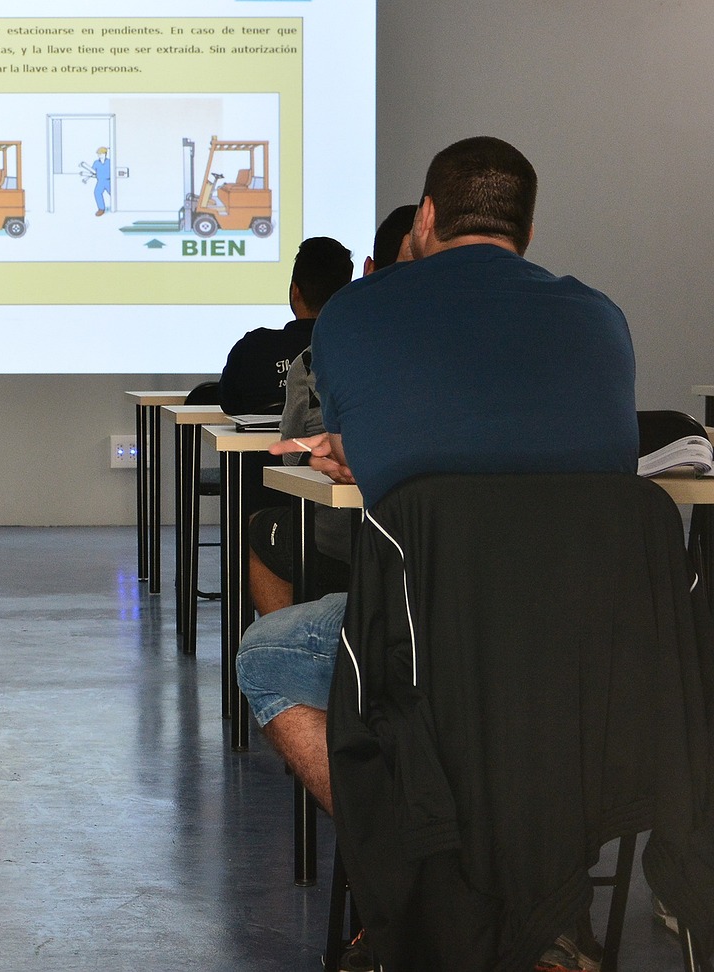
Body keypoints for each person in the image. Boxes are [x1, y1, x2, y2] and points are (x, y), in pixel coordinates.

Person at [235, 136, 637, 970]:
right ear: (529, 230)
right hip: (584, 657)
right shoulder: (601, 318)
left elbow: (375, 429)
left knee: (268, 654)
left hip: (424, 640)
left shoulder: (356, 314)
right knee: (514, 704)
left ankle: (423, 884)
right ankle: (542, 912)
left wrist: (362, 449)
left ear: (423, 220)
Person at [246, 206, 417, 617]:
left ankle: (296, 650)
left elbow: (292, 453)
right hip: (450, 549)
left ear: (369, 271)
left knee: (259, 531)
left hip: (349, 540)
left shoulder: (321, 356)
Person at [217, 237, 353, 417]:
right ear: (345, 296)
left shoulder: (252, 348)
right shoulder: (357, 351)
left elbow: (230, 404)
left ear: (295, 291)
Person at [91, 147, 111, 216]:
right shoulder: (96, 163)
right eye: (98, 154)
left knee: (113, 193)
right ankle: (101, 209)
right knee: (97, 193)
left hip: (108, 181)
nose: (99, 155)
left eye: (101, 154)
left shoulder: (110, 162)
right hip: (100, 181)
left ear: (105, 154)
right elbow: (93, 171)